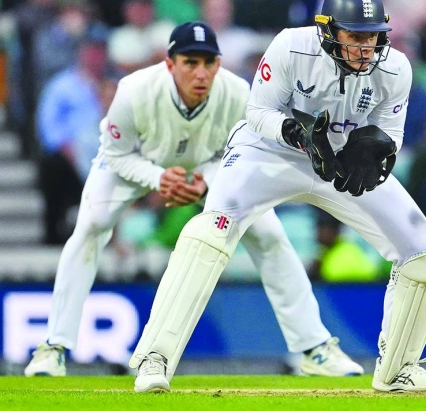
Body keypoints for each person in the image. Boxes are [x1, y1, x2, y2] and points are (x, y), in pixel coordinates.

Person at [127, 0, 426, 394]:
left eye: (371, 36)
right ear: (328, 31)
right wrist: (293, 132)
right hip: (268, 154)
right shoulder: (290, 47)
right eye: (354, 36)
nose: (364, 48)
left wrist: (375, 153)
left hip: (338, 162)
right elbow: (257, 111)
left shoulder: (397, 69)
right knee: (210, 232)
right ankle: (154, 359)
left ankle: (398, 370)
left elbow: (392, 134)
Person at [25, 22, 362, 379]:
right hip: (136, 160)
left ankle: (315, 348)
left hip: (209, 166)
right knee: (91, 226)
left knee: (270, 235)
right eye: (190, 62)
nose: (201, 73)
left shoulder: (236, 92)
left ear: (218, 64)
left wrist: (206, 184)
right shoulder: (134, 90)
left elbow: (248, 154)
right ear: (170, 64)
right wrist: (158, 179)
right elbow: (116, 154)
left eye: (208, 63)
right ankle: (53, 348)